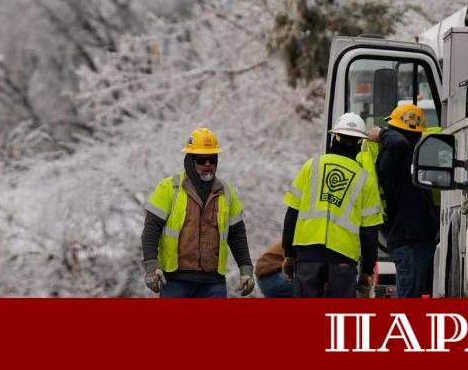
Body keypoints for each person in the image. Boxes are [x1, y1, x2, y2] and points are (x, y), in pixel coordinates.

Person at [141, 128, 254, 298]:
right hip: (176, 281)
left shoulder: (227, 192)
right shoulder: (169, 188)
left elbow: (237, 234)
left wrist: (246, 270)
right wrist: (151, 266)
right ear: (189, 161)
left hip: (213, 281)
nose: (208, 164)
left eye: (212, 159)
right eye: (201, 160)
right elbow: (151, 229)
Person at [282, 113, 384, 298]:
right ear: (360, 143)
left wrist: (289, 253)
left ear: (334, 136)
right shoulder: (365, 180)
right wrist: (367, 270)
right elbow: (369, 232)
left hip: (307, 257)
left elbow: (291, 215)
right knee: (339, 321)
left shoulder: (310, 167)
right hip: (343, 260)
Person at [371, 104, 437, 298]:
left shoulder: (408, 157)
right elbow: (398, 143)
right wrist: (382, 133)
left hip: (414, 240)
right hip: (409, 242)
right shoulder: (394, 157)